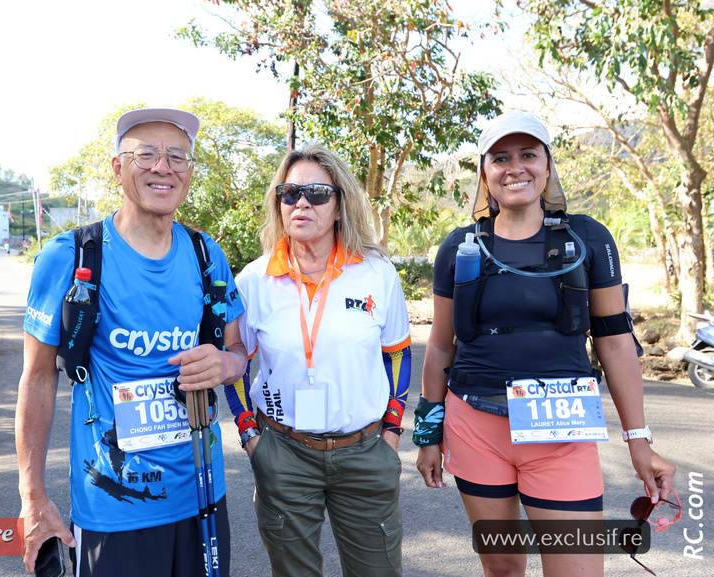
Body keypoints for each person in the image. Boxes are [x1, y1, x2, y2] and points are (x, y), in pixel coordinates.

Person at [414, 111, 676, 577]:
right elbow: (439, 347)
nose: (515, 168)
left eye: (528, 155)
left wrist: (640, 442)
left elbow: (615, 343)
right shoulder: (459, 247)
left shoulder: (587, 239)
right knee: (502, 565)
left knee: (577, 570)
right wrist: (428, 434)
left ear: (548, 166)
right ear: (485, 173)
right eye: (500, 158)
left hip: (561, 432)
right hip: (476, 429)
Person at [16, 108, 248, 577]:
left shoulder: (208, 255)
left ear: (189, 172)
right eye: (146, 154)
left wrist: (223, 365)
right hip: (112, 506)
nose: (163, 167)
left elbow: (240, 354)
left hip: (202, 495)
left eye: (177, 157)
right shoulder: (70, 256)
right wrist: (33, 496)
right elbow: (38, 380)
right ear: (118, 167)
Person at [228, 144, 412, 577]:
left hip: (365, 451)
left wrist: (390, 432)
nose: (302, 203)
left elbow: (398, 356)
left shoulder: (376, 272)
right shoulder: (254, 280)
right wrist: (252, 438)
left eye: (316, 193)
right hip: (284, 454)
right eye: (289, 193)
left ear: (339, 203)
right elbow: (237, 364)